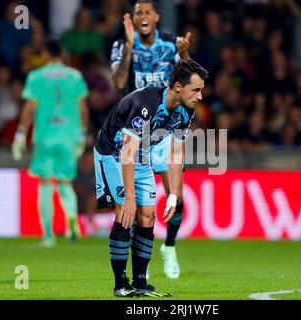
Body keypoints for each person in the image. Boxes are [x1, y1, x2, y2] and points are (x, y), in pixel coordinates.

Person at [95, 59, 207, 297]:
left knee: (147, 216)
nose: (200, 96)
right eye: (196, 90)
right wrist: (130, 197)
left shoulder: (186, 111)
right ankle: (120, 284)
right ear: (178, 86)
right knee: (125, 213)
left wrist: (174, 194)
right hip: (113, 153)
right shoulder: (146, 104)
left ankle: (140, 282)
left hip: (141, 155)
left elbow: (176, 152)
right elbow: (126, 151)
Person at [110, 0, 191, 280]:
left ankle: (169, 247)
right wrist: (130, 48)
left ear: (157, 16)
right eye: (138, 13)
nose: (143, 16)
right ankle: (133, 274)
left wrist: (186, 54)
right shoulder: (122, 46)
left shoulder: (171, 45)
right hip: (136, 129)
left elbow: (188, 81)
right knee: (132, 208)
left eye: (147, 12)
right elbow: (119, 83)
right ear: (133, 19)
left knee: (175, 196)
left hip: (164, 129)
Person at [12, 39, 89, 247]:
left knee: (46, 183)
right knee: (65, 184)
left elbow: (30, 107)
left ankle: (48, 235)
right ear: (61, 54)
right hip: (69, 137)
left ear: (45, 54)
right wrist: (82, 134)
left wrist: (20, 133)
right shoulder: (74, 76)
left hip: (45, 136)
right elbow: (82, 108)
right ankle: (71, 225)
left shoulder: (36, 76)